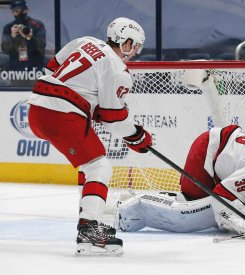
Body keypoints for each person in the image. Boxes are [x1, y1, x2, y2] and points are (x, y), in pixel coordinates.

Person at [27, 17, 152, 256]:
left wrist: (88, 105)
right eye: (134, 46)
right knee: (99, 167)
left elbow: (51, 69)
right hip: (61, 114)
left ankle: (89, 224)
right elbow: (114, 119)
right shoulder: (118, 69)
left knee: (93, 164)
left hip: (36, 107)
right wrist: (137, 136)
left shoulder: (84, 41)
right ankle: (88, 231)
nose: (134, 53)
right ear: (124, 42)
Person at [116, 125, 245, 235]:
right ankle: (133, 207)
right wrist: (242, 221)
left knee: (242, 201)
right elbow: (221, 197)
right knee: (189, 211)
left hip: (228, 154)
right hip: (208, 149)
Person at [1, 0, 46, 70]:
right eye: (17, 11)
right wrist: (12, 36)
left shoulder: (37, 25)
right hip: (15, 69)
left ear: (27, 10)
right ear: (12, 12)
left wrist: (30, 37)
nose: (20, 14)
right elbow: (5, 50)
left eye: (22, 10)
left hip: (35, 67)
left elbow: (42, 46)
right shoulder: (8, 27)